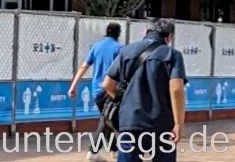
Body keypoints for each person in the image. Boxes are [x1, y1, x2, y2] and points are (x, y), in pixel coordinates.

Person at [103, 18, 187, 162]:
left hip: (130, 122)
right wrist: (178, 124)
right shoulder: (172, 55)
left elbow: (107, 84)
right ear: (169, 37)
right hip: (161, 125)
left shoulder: (126, 51)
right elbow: (176, 90)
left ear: (145, 32)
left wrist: (124, 101)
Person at [69, 22, 124, 162]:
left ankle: (115, 150)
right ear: (119, 34)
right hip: (111, 90)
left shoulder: (96, 47)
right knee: (106, 121)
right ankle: (93, 151)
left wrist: (73, 85)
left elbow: (83, 67)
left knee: (107, 119)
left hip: (96, 92)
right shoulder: (120, 49)